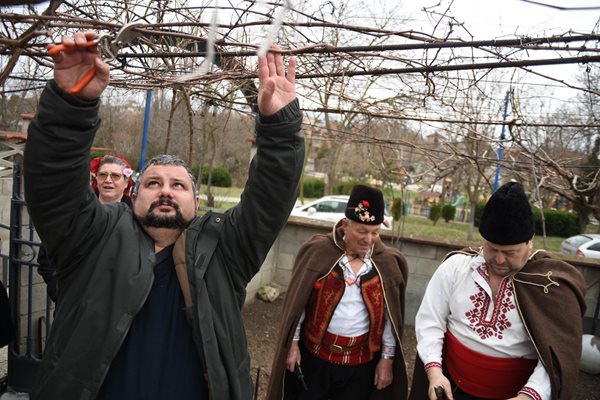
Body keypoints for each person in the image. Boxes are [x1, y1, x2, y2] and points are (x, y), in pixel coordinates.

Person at [24, 30, 304, 400]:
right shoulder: (94, 239)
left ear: (197, 202)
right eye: (154, 183)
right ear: (133, 195)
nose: (167, 190)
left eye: (179, 185)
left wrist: (280, 129)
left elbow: (270, 196)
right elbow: (55, 185)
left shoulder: (225, 250)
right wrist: (69, 106)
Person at [409, 181, 587, 400]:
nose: (500, 259)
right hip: (451, 388)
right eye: (492, 249)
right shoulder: (457, 268)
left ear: (530, 242)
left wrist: (529, 396)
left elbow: (557, 357)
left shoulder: (551, 286)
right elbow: (431, 321)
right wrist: (435, 373)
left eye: (510, 252)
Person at [267, 185, 409, 400]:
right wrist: (293, 345)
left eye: (375, 233)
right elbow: (299, 305)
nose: (368, 239)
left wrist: (387, 359)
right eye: (362, 231)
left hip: (361, 367)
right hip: (315, 360)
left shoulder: (388, 263)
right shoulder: (318, 251)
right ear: (345, 225)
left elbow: (390, 318)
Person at [37, 154, 134, 302]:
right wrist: (58, 291)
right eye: (103, 175)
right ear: (96, 179)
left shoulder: (137, 219)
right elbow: (47, 255)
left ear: (126, 182)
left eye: (115, 176)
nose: (108, 180)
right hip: (73, 303)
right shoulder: (75, 213)